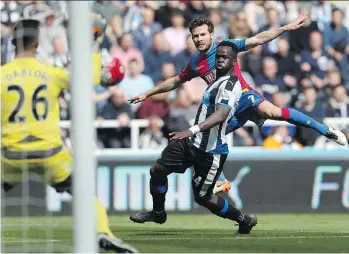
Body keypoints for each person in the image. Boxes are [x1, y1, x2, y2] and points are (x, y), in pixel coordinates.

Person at [129, 15, 347, 195]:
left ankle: (326, 130)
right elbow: (175, 81)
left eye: (203, 34)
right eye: (195, 36)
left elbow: (258, 39)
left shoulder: (227, 47)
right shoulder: (196, 63)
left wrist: (286, 27)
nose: (199, 39)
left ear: (211, 34)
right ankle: (221, 181)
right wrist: (148, 93)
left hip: (242, 96)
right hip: (226, 109)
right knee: (204, 140)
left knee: (274, 112)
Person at [1, 19, 137, 253]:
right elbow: (90, 82)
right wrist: (93, 48)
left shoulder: (2, 75)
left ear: (13, 43)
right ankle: (103, 232)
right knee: (86, 194)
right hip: (51, 154)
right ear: (37, 43)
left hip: (9, 156)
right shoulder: (51, 74)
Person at [130, 41, 257, 234]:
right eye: (218, 56)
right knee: (157, 170)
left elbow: (222, 114)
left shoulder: (231, 85)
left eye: (225, 57)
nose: (220, 59)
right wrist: (148, 93)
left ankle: (243, 219)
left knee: (203, 198)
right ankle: (158, 213)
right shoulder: (214, 79)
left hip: (210, 151)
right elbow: (176, 81)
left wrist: (192, 130)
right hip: (190, 142)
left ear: (234, 61)